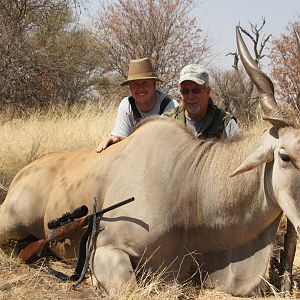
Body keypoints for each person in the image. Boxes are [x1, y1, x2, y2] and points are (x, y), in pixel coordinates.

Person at [96, 57, 178, 152]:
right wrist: (115, 139)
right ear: (130, 87)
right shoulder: (127, 105)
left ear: (154, 85)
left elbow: (169, 144)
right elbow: (120, 139)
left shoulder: (171, 106)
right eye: (135, 84)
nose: (140, 88)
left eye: (145, 83)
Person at [164, 64, 240, 139]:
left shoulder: (225, 123)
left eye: (196, 90)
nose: (190, 97)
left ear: (208, 91)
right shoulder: (167, 121)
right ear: (180, 94)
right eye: (185, 91)